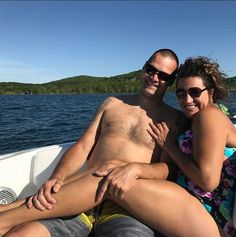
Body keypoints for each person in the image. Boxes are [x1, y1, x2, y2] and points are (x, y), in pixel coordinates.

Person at [0, 48, 184, 237]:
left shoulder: (172, 120)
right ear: (144, 68)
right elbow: (82, 147)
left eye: (163, 76)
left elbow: (167, 168)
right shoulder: (112, 104)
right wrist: (57, 178)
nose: (154, 77)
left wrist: (136, 168)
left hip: (126, 206)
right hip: (77, 199)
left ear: (170, 81)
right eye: (151, 69)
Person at [147, 56, 236, 236]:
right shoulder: (197, 118)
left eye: (195, 92)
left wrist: (169, 146)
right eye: (181, 93)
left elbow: (207, 181)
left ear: (210, 93)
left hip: (208, 216)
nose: (187, 100)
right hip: (192, 205)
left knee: (116, 181)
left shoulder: (208, 116)